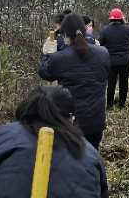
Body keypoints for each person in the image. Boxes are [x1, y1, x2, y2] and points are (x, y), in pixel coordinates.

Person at [39, 14, 110, 149]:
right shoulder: (103, 53)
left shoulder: (59, 58)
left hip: (71, 124)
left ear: (65, 35)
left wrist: (48, 54)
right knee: (91, 158)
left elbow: (44, 73)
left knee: (72, 162)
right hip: (96, 120)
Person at [98, 8, 129, 109]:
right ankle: (122, 104)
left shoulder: (105, 30)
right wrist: (126, 23)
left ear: (110, 18)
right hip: (125, 61)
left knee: (111, 83)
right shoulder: (126, 28)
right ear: (121, 18)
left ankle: (110, 105)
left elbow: (101, 42)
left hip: (111, 61)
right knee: (124, 83)